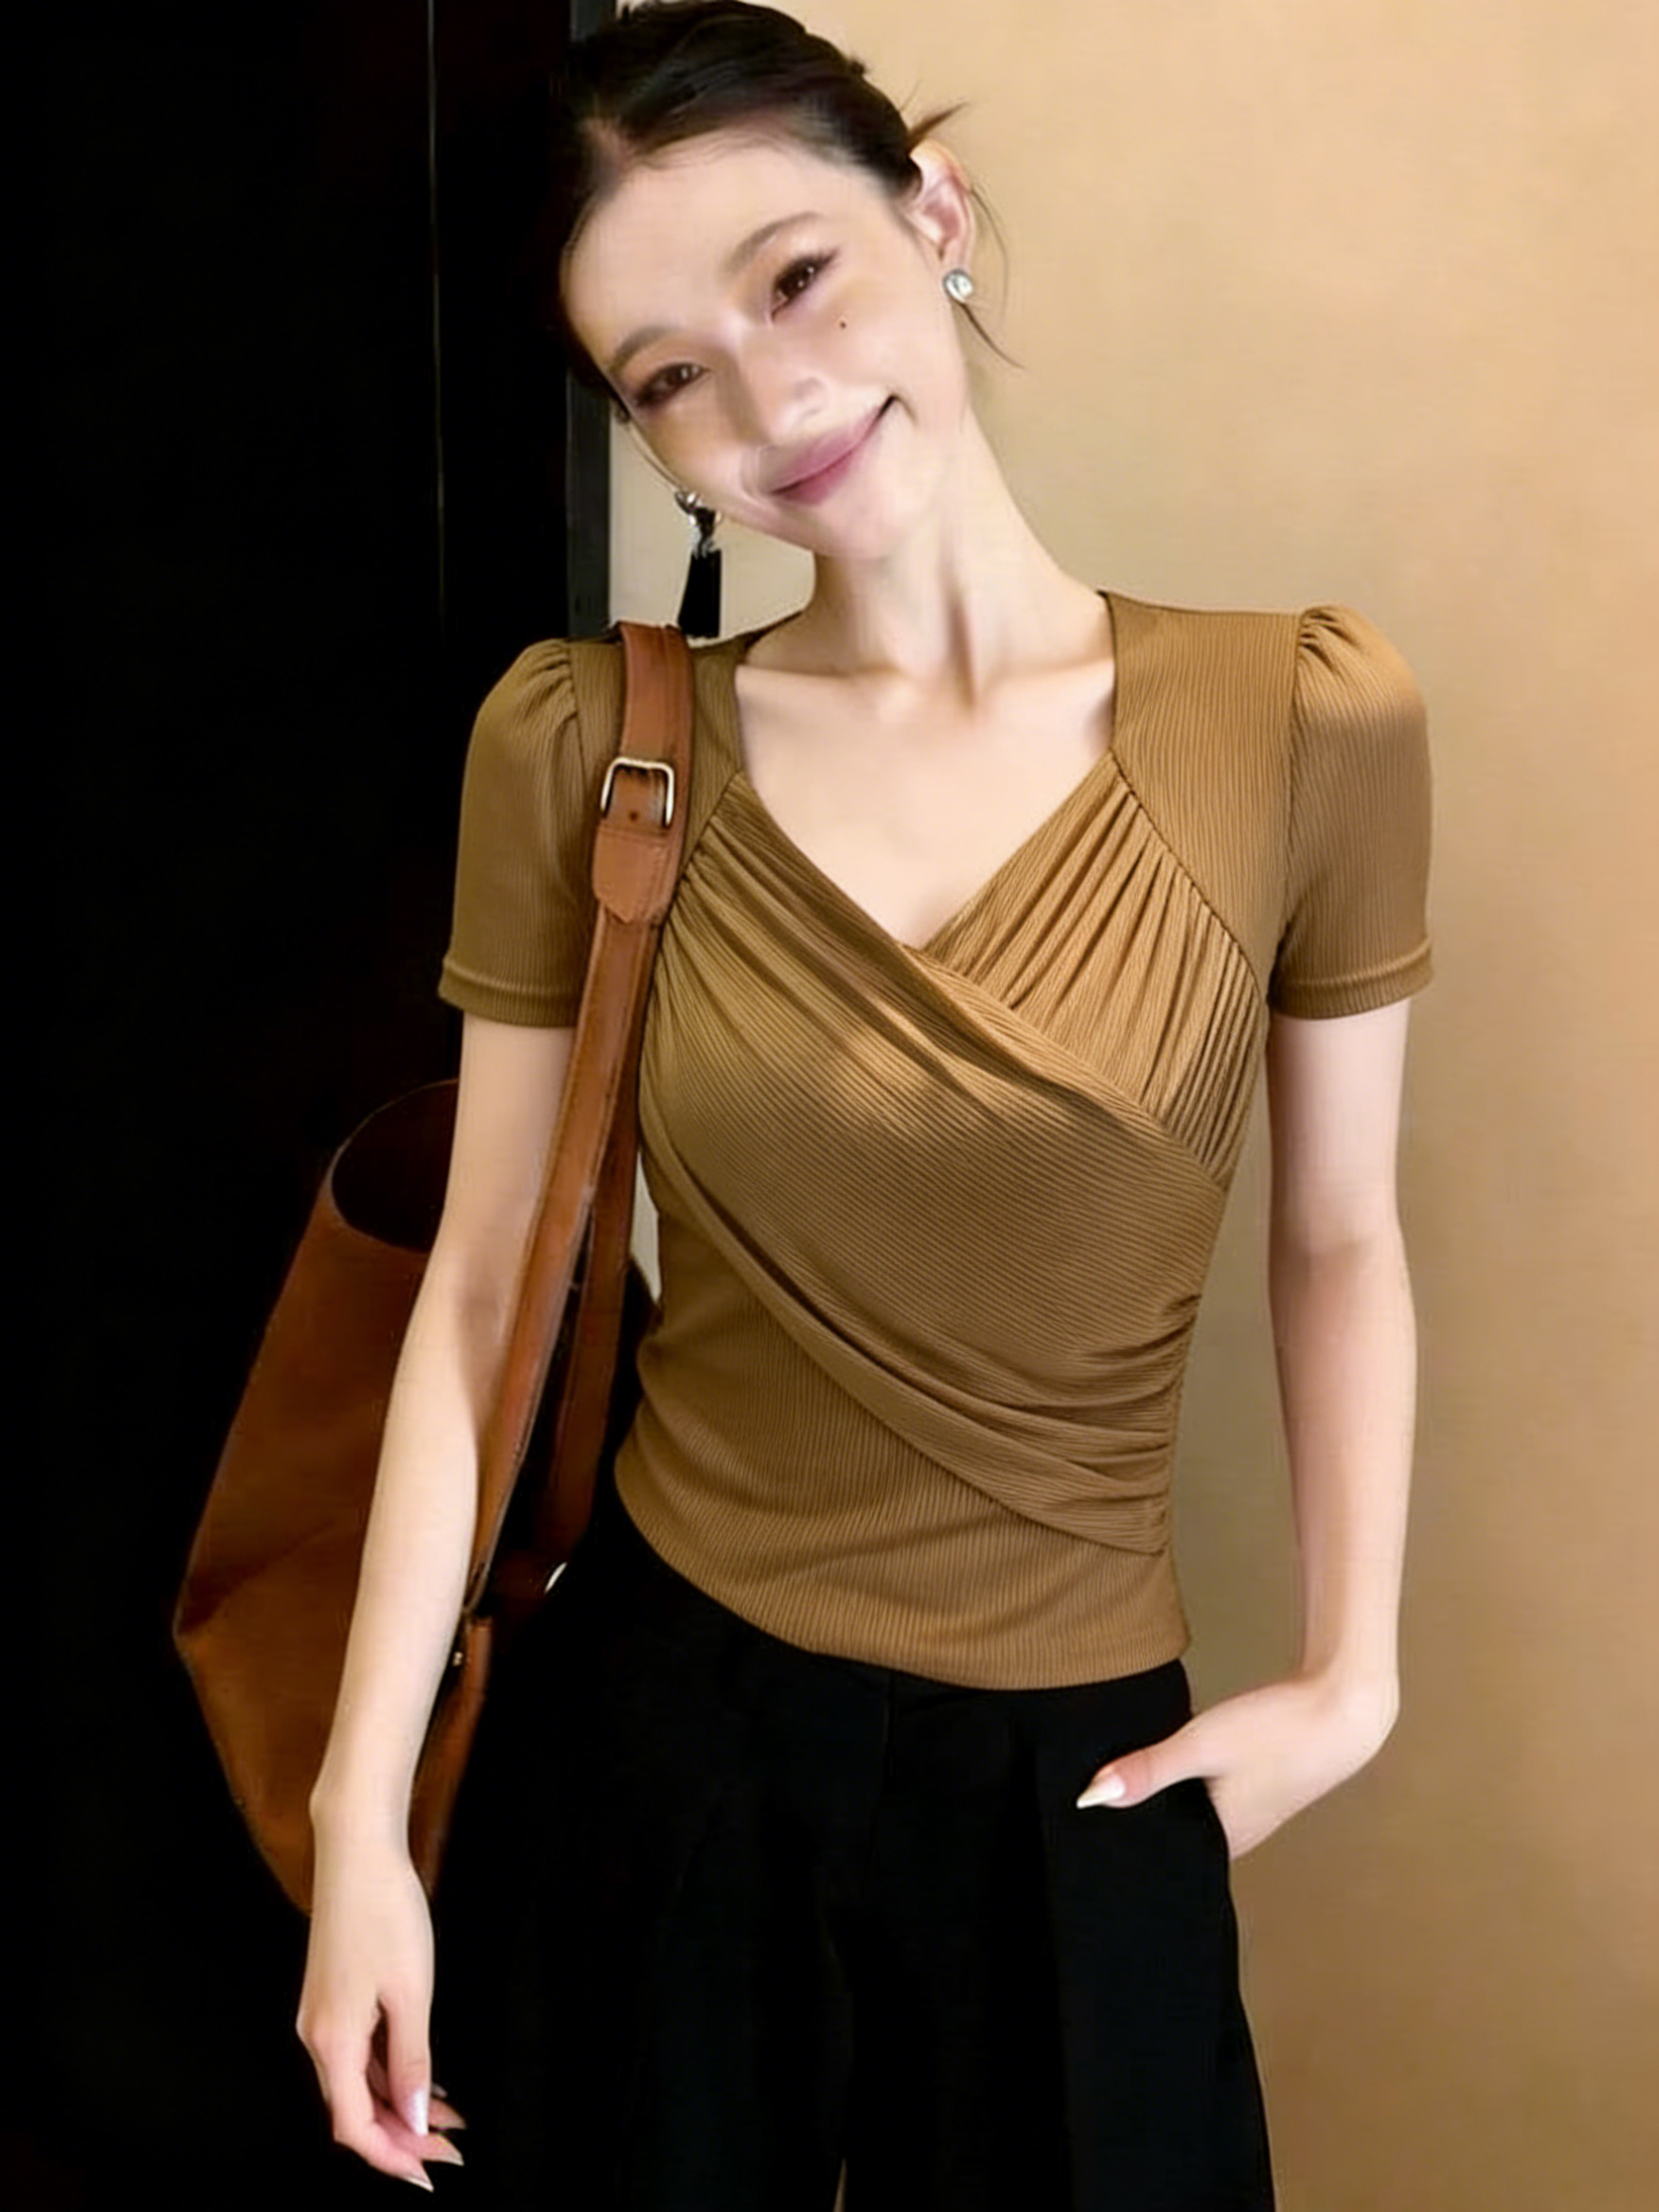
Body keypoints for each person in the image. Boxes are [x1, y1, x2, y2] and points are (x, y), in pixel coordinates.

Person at [295, 4, 1433, 2205]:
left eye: (796, 278)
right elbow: (483, 1287)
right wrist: (363, 1824)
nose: (767, 403)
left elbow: (1336, 1232)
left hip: (1078, 1772)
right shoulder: (585, 747)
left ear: (936, 212)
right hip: (657, 1745)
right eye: (667, 378)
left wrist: (1351, 1670)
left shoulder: (1304, 721)